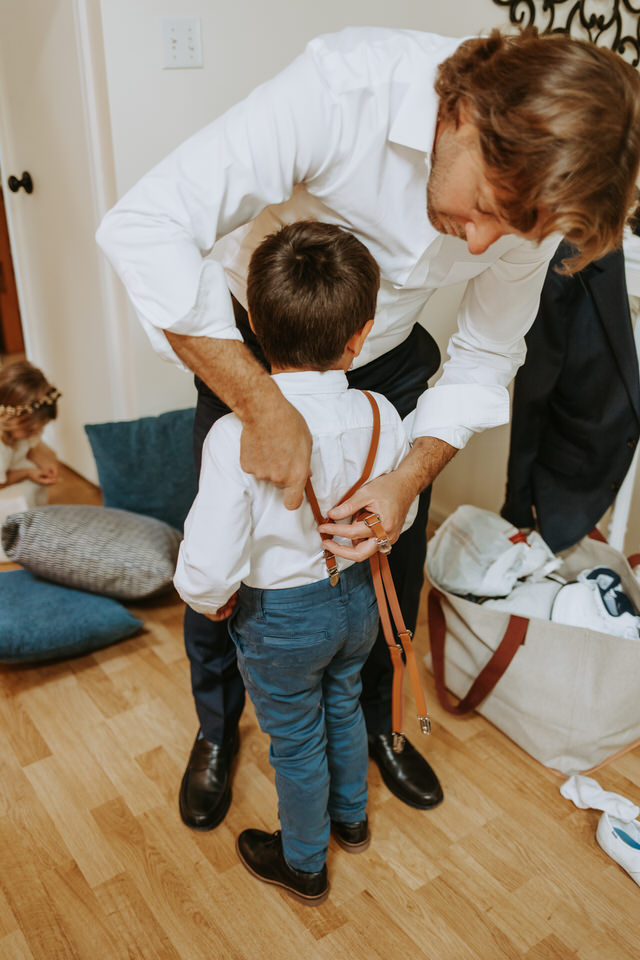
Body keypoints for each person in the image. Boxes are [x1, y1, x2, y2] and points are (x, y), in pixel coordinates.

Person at [96, 25, 640, 830]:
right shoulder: (340, 90)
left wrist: (409, 476)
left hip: (385, 359)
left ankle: (379, 727)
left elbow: (488, 348)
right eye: (485, 208)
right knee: (229, 554)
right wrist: (261, 404)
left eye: (513, 235)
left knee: (396, 562)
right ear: (464, 114)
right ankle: (216, 731)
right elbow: (143, 225)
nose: (484, 244)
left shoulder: (528, 206)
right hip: (257, 350)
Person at [174, 219, 419, 905]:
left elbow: (214, 551)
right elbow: (393, 512)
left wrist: (206, 595)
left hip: (281, 619)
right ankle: (352, 819)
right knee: (341, 701)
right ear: (361, 335)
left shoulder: (238, 432)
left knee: (295, 739)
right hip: (359, 603)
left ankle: (305, 862)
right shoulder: (381, 412)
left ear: (251, 322)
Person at [0, 361, 61, 558]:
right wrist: (27, 473)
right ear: (9, 419)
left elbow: (34, 448)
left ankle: (35, 524)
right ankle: (15, 543)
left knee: (33, 475)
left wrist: (47, 464)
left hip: (8, 469)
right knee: (21, 494)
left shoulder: (21, 433)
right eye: (32, 430)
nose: (37, 433)